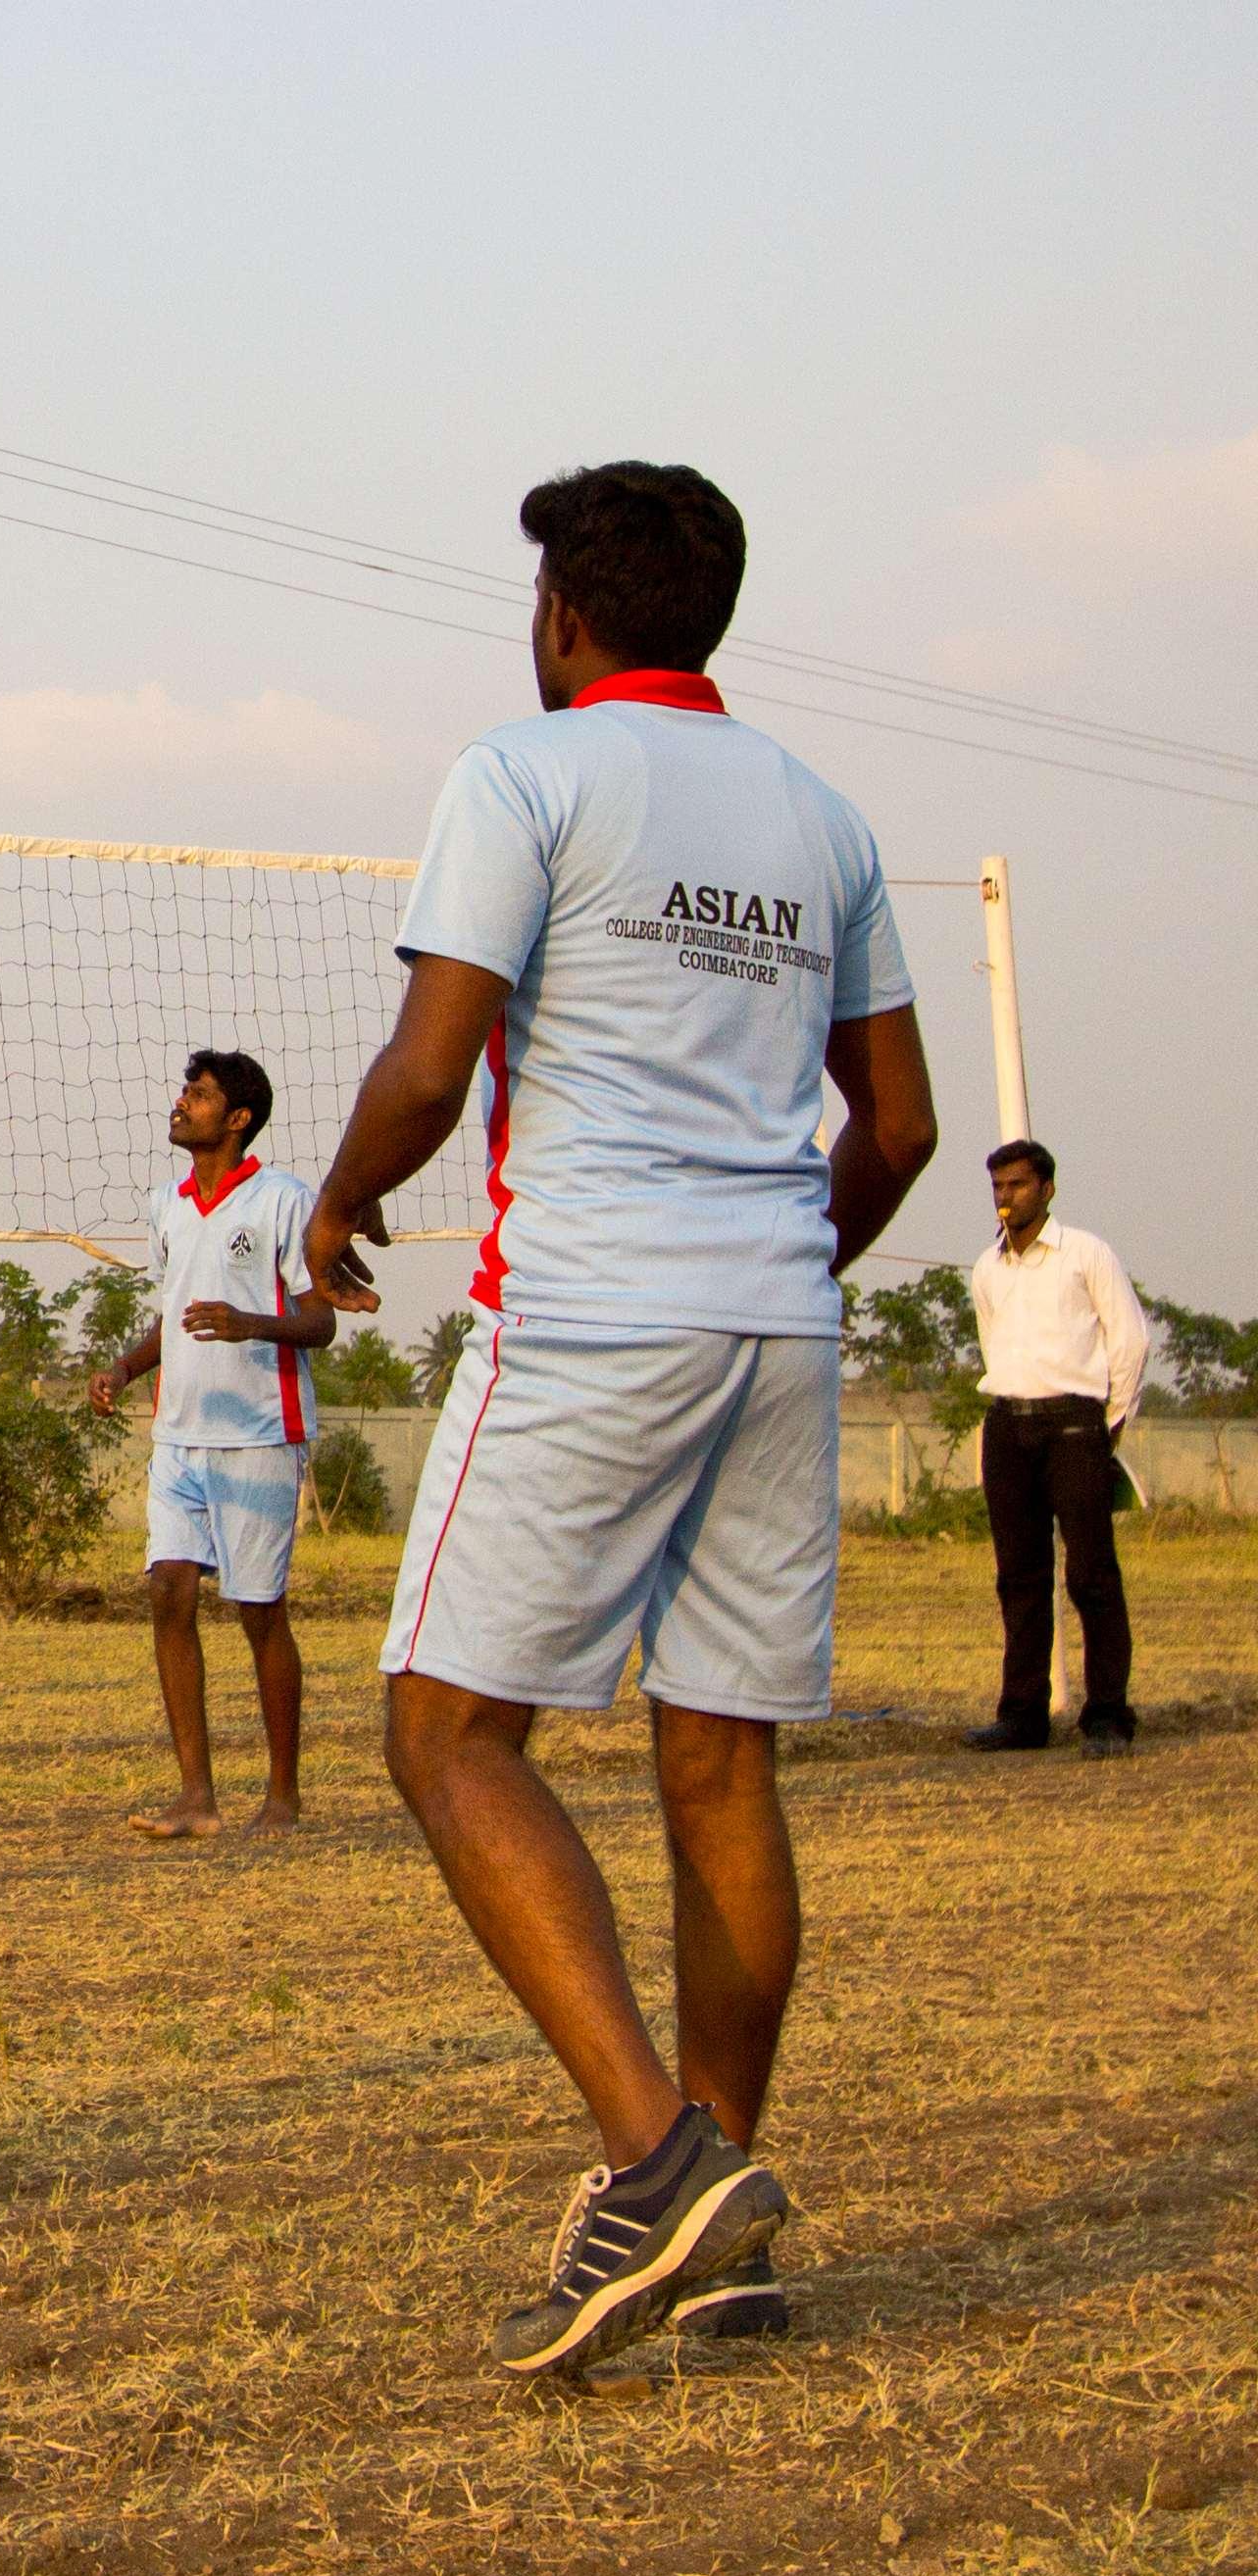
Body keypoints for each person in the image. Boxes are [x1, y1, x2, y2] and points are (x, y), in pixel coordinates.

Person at [300, 461, 936, 2378]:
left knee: (445, 1728)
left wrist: (331, 1202)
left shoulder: (524, 771)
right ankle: (723, 2214)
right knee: (719, 1766)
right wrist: (776, 1255)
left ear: (567, 614)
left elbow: (432, 1058)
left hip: (586, 1305)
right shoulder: (824, 818)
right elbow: (896, 1124)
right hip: (774, 1316)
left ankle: (660, 2164)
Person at [86, 1050, 334, 1839]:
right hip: (179, 1436)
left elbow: (320, 1319)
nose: (180, 1102)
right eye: (184, 1090)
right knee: (167, 1594)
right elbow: (172, 1313)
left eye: (197, 1094)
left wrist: (250, 1322)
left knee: (259, 1612)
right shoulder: (166, 1204)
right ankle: (196, 1796)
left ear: (237, 1118)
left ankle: (284, 1797)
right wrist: (126, 1367)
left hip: (258, 1433)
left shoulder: (284, 1200)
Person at [964, 1139, 1145, 1757]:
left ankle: (1107, 1717)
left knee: (1092, 1573)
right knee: (1019, 1576)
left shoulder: (1085, 1254)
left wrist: (1109, 1421)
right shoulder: (987, 1269)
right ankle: (1022, 1717)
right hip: (1008, 1426)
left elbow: (1129, 1339)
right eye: (997, 1187)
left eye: (1016, 1185)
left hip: (1074, 1423)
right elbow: (994, 1344)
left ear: (1046, 1189)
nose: (1005, 1198)